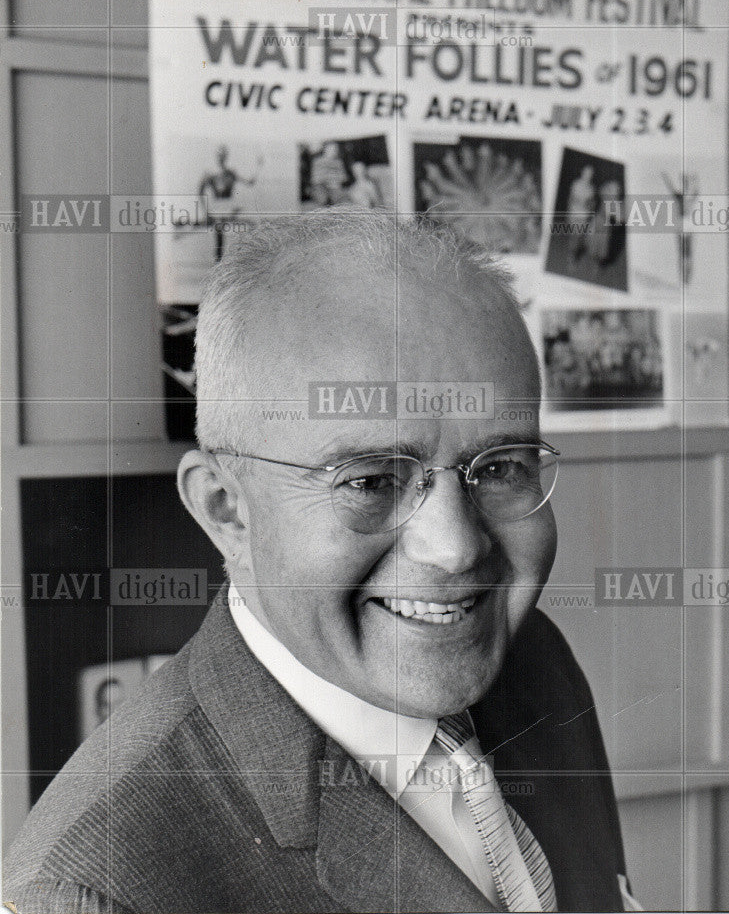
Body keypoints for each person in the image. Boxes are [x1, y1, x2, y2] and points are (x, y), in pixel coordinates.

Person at [5, 212, 639, 913]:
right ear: (226, 510)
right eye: (371, 482)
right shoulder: (94, 891)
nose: (456, 548)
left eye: (500, 467)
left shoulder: (531, 660)